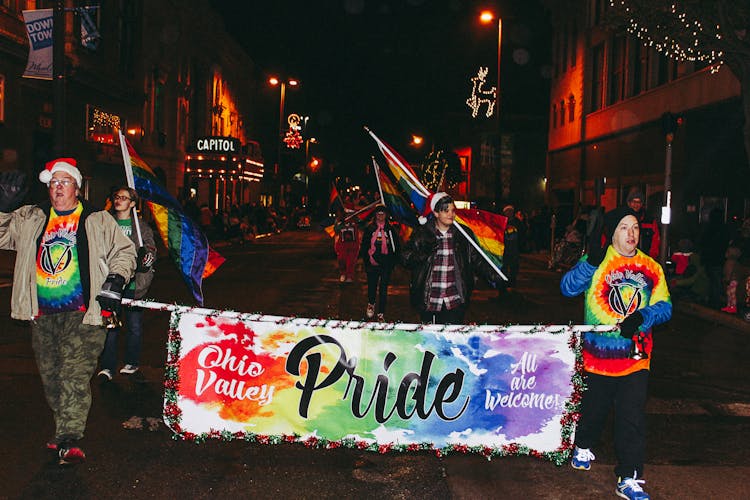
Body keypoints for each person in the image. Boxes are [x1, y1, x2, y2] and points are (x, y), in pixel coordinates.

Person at [0, 159, 136, 466]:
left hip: (83, 314)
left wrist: (116, 278)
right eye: (53, 183)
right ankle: (64, 429)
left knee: (74, 375)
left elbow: (125, 252)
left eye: (64, 182)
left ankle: (69, 436)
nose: (58, 188)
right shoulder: (31, 217)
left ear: (77, 186)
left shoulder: (97, 220)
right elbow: (2, 236)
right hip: (42, 313)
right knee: (52, 377)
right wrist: (3, 208)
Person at [560, 206, 671, 500]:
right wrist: (590, 263)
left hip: (635, 358)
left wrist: (643, 317)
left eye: (635, 227)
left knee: (631, 417)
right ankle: (582, 444)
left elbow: (665, 307)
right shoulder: (598, 261)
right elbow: (567, 288)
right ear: (612, 232)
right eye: (624, 227)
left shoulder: (651, 268)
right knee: (595, 410)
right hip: (598, 358)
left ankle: (629, 476)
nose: (631, 233)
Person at [401, 192, 502, 324]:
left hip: (454, 300)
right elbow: (405, 258)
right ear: (436, 213)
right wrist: (423, 254)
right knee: (431, 342)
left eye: (453, 210)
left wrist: (494, 273)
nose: (451, 214)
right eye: (446, 210)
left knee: (451, 341)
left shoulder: (463, 235)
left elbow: (476, 258)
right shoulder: (423, 233)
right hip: (430, 300)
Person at [98, 187, 156, 380]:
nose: (119, 200)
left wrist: (146, 257)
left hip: (133, 286)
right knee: (110, 326)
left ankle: (131, 362)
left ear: (132, 203)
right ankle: (107, 367)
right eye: (117, 197)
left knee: (134, 326)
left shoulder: (140, 227)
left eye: (124, 198)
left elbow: (150, 249)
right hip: (111, 283)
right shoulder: (107, 223)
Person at [359, 205, 400, 321]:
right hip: (372, 263)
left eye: (383, 214)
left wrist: (393, 262)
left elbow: (396, 247)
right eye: (378, 214)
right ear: (375, 215)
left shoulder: (390, 230)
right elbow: (364, 246)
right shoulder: (370, 229)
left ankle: (381, 312)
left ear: (386, 215)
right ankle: (371, 304)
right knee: (372, 286)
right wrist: (366, 261)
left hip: (386, 264)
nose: (380, 216)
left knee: (383, 289)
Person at [626, 188, 660, 260]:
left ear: (642, 204)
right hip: (626, 258)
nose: (636, 205)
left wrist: (652, 257)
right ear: (629, 203)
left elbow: (655, 240)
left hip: (645, 258)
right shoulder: (623, 219)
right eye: (633, 201)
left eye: (639, 202)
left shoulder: (649, 220)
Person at [498, 205, 520, 294]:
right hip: (504, 249)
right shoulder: (501, 222)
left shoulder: (517, 222)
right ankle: (503, 287)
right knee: (504, 268)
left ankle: (512, 285)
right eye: (507, 211)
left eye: (511, 211)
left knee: (514, 267)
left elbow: (522, 233)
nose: (509, 213)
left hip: (514, 249)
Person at [334, 208, 359, 283]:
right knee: (342, 260)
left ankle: (349, 275)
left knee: (351, 261)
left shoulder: (355, 221)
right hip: (342, 244)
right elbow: (336, 229)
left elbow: (363, 224)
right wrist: (341, 224)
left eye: (350, 213)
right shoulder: (339, 220)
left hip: (353, 244)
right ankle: (343, 274)